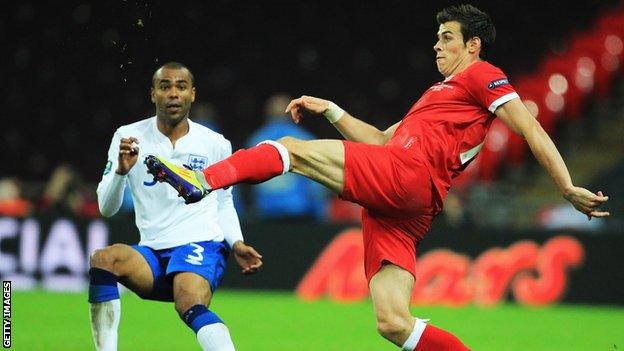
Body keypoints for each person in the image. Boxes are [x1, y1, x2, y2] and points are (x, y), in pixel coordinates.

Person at [146, 5, 610, 350]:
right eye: (437, 37)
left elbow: (528, 126)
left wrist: (566, 186)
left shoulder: (482, 74)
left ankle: (201, 179)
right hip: (406, 206)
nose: (437, 44)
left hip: (408, 179)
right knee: (393, 323)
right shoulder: (439, 95)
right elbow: (379, 140)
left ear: (472, 46)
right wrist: (330, 109)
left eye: (447, 37)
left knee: (289, 150)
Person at [90, 61, 263, 351]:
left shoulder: (215, 143)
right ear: (153, 94)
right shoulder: (128, 137)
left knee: (188, 303)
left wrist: (237, 243)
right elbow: (107, 209)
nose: (173, 93)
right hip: (153, 252)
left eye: (181, 87)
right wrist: (120, 172)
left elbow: (223, 201)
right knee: (104, 259)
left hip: (200, 243)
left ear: (192, 94)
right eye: (165, 86)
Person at [245, 93, 328, 220]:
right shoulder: (304, 138)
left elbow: (246, 179)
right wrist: (321, 214)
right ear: (292, 112)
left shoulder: (256, 139)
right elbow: (317, 182)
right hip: (300, 213)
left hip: (265, 213)